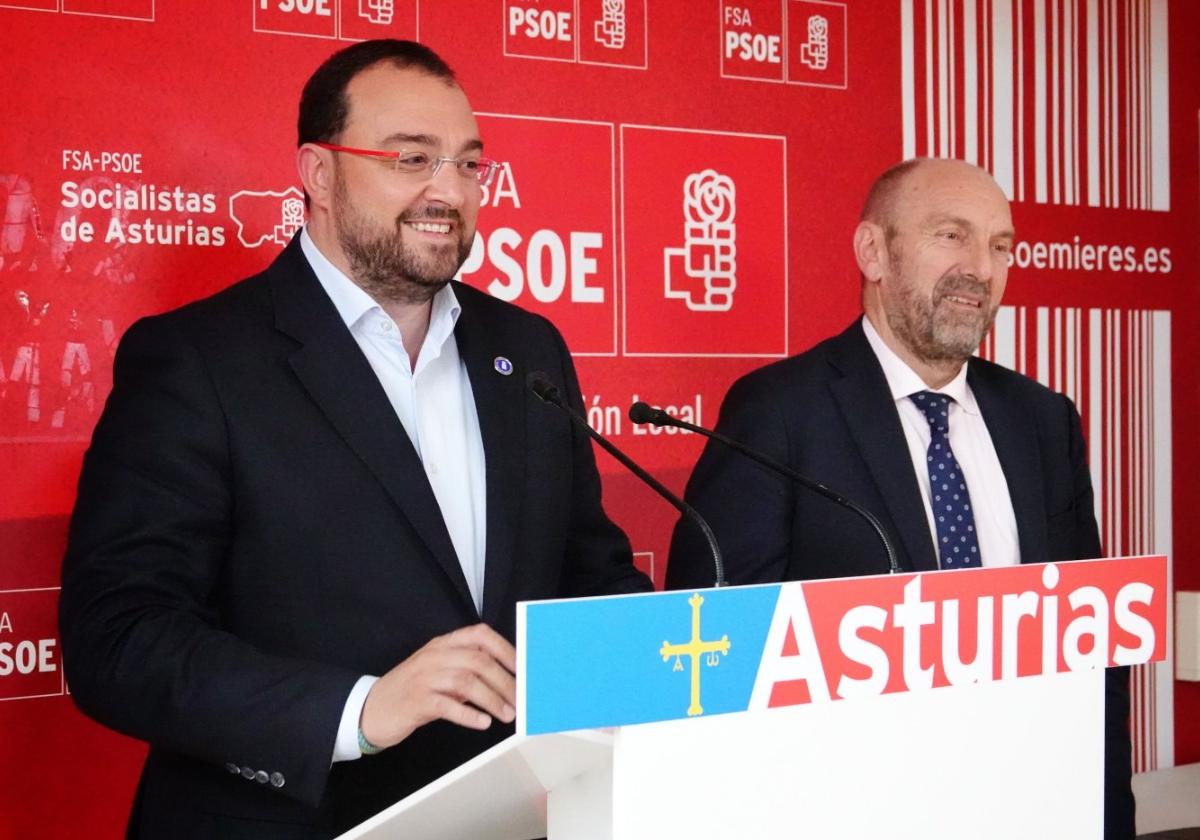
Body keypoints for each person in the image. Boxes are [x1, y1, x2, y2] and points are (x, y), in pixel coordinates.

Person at [59, 39, 651, 839]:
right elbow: (119, 641)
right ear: (319, 173)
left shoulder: (529, 352)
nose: (449, 190)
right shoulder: (199, 359)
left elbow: (589, 578)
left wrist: (678, 658)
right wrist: (360, 709)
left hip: (514, 817)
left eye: (469, 164)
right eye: (413, 158)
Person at [666, 158, 1134, 838]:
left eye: (1001, 246)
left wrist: (1106, 817)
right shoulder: (780, 414)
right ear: (873, 252)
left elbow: (1091, 653)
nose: (982, 267)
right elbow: (716, 654)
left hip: (1030, 807)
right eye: (952, 235)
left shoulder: (1042, 422)